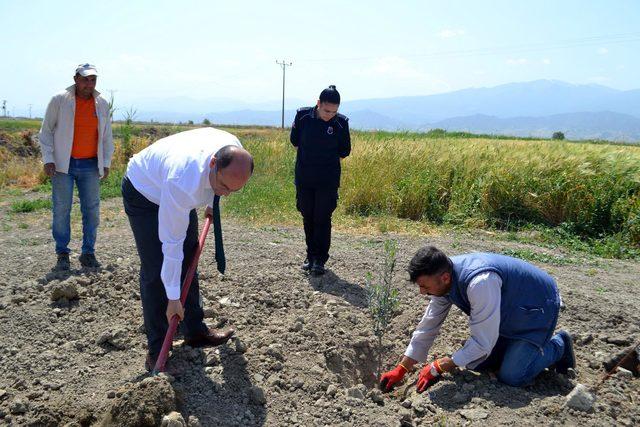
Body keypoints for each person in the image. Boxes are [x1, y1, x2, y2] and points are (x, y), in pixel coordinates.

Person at [121, 127, 254, 370]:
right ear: (213, 164)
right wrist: (173, 298)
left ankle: (194, 330)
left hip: (176, 189)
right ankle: (158, 348)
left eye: (232, 191)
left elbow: (221, 183)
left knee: (190, 256)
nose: (226, 193)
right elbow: (171, 245)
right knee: (156, 268)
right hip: (144, 191)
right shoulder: (182, 182)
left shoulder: (233, 150)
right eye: (223, 187)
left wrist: (215, 199)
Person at [380, 246, 575, 392]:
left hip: (536, 307)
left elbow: (483, 342)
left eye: (424, 286)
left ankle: (559, 345)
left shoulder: (480, 282)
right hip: (507, 311)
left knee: (512, 376)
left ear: (445, 278)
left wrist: (439, 366)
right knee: (477, 363)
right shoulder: (442, 280)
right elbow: (429, 325)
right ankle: (515, 349)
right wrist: (403, 367)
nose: (422, 292)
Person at [39, 63, 114, 270]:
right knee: (61, 210)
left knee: (92, 210)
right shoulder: (60, 100)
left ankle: (88, 252)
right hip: (64, 165)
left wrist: (105, 162)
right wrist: (49, 159)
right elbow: (45, 132)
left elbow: (107, 136)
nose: (89, 84)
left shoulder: (102, 103)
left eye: (93, 80)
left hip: (90, 164)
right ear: (76, 79)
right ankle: (62, 253)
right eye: (85, 79)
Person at [290, 85, 351, 276]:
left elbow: (344, 151)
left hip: (328, 180)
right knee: (307, 215)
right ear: (318, 104)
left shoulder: (341, 123)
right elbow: (295, 142)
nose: (329, 115)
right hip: (305, 177)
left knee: (322, 218)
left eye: (334, 111)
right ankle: (310, 256)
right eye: (326, 110)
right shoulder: (302, 117)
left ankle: (319, 260)